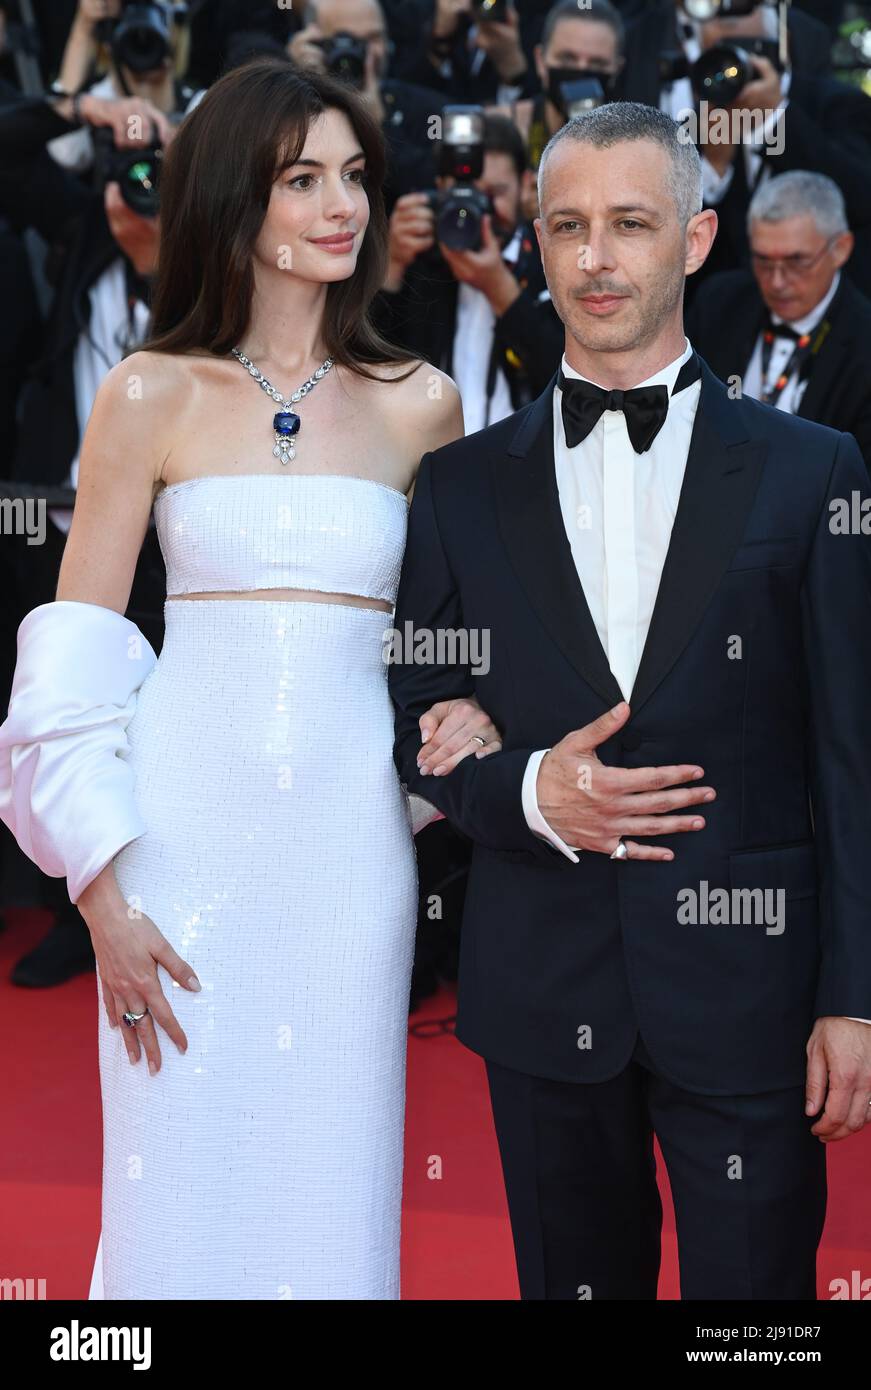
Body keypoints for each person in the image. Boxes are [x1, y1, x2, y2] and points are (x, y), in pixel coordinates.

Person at [0, 55, 502, 1300]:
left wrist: (452, 755)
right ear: (236, 199)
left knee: (331, 1187)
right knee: (176, 1182)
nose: (342, 205)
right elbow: (69, 655)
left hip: (351, 855)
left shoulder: (421, 404)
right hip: (178, 847)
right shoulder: (149, 391)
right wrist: (101, 893)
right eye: (301, 179)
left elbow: (455, 639)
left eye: (352, 176)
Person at [389, 101, 871, 1300]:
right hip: (543, 985)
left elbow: (851, 754)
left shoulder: (813, 471)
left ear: (697, 241)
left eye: (630, 224)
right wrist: (525, 789)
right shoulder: (453, 488)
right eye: (567, 227)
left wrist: (854, 1004)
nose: (596, 257)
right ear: (536, 247)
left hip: (752, 993)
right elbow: (418, 712)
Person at [687, 170, 871, 471]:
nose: (777, 281)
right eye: (762, 260)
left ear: (841, 249)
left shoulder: (863, 346)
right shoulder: (719, 303)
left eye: (796, 262)